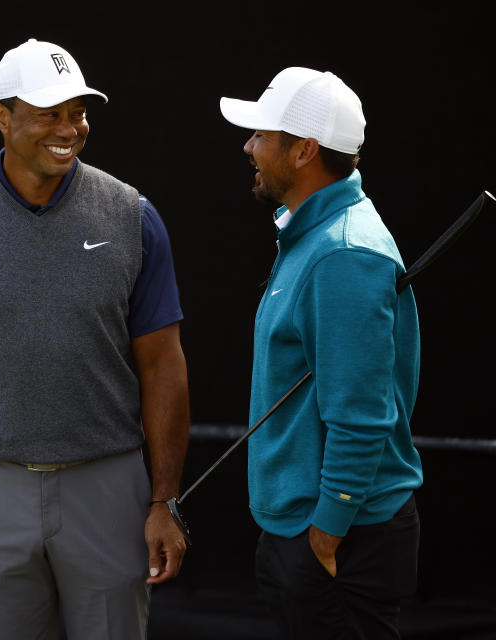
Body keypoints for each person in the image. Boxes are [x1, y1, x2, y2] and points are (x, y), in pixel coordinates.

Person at [0, 38, 190, 639]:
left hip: (109, 486)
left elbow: (164, 367)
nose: (70, 128)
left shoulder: (133, 217)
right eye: (48, 114)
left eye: (78, 112)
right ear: (0, 117)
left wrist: (164, 500)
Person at [219, 67, 423, 639]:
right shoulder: (316, 235)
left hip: (339, 539)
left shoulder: (344, 254)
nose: (248, 146)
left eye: (262, 135)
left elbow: (360, 416)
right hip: (314, 532)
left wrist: (326, 534)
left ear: (304, 149)